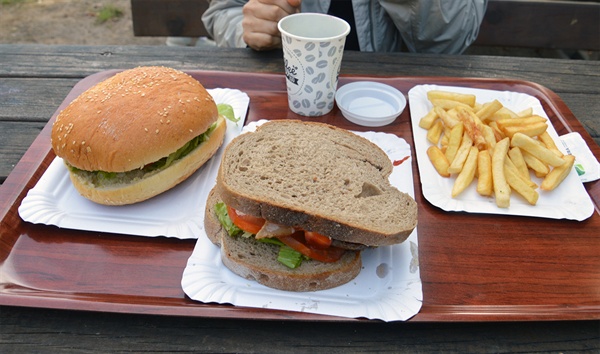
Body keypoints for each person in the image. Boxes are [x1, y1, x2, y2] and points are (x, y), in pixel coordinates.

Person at [202, 0, 487, 54]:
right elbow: (224, 11)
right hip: (285, 95)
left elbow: (454, 40)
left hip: (398, 105)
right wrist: (249, 29)